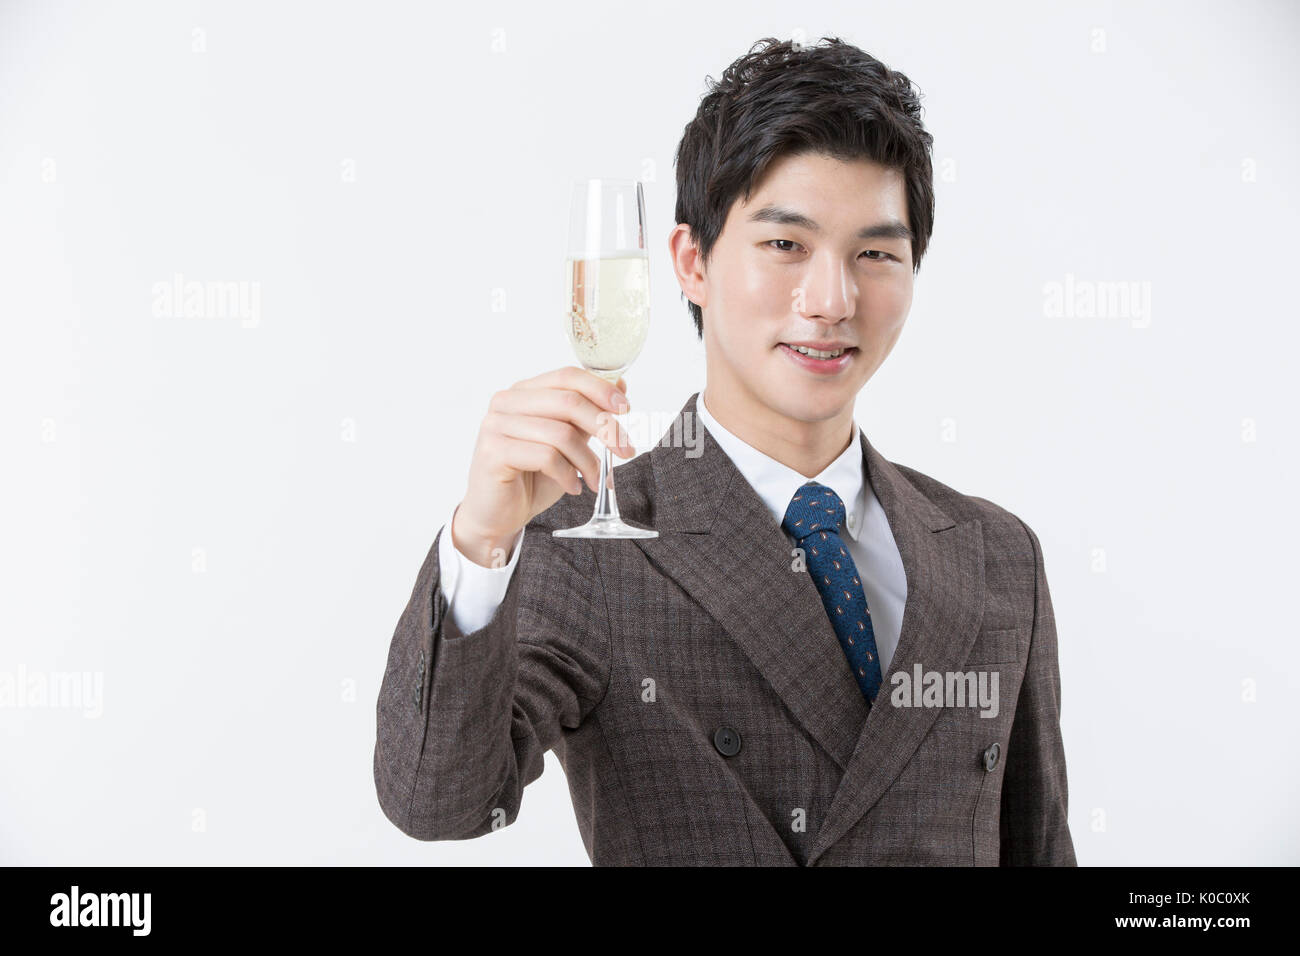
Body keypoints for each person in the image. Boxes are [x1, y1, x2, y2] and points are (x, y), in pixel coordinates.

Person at [373, 35, 1076, 866]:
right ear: (691, 263)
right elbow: (439, 801)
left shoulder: (997, 556)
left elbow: (1038, 850)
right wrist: (480, 540)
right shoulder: (591, 545)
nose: (831, 299)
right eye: (786, 245)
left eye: (875, 253)